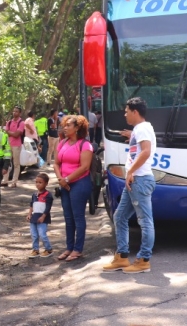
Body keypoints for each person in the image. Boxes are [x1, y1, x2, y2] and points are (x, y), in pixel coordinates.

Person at [104, 97, 156, 274]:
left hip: (139, 180)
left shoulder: (142, 129)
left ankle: (143, 260)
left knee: (145, 221)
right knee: (120, 217)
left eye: (127, 111)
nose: (125, 114)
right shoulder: (139, 130)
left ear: (135, 112)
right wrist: (130, 136)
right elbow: (141, 149)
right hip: (134, 180)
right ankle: (122, 257)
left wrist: (131, 171)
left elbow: (146, 152)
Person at [54, 115, 94, 262]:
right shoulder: (63, 142)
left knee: (78, 217)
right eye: (64, 125)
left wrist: (67, 179)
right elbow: (56, 163)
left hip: (79, 183)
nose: (65, 128)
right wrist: (60, 179)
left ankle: (78, 249)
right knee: (68, 217)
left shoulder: (85, 145)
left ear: (77, 128)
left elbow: (85, 167)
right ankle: (69, 247)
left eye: (68, 125)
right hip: (64, 184)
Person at [26, 173, 54, 257]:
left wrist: (43, 216)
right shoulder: (34, 195)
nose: (37, 184)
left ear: (46, 183)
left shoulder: (48, 195)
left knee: (42, 234)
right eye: (36, 182)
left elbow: (48, 207)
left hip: (42, 218)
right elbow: (32, 205)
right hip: (34, 217)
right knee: (34, 234)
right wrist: (29, 214)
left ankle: (48, 249)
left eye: (40, 182)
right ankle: (35, 250)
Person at [3, 106, 25, 188]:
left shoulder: (21, 123)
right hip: (9, 145)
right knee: (7, 163)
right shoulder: (9, 122)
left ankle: (14, 182)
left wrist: (9, 132)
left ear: (20, 113)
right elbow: (10, 133)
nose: (14, 113)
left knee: (16, 164)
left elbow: (17, 134)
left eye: (16, 111)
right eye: (13, 111)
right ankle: (5, 180)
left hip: (17, 145)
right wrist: (12, 133)